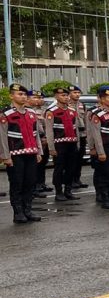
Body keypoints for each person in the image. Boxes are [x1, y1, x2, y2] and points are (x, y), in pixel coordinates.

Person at [1, 84, 44, 223]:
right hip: (15, 154)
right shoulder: (6, 114)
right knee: (17, 183)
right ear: (11, 96)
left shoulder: (31, 113)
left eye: (25, 94)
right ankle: (18, 212)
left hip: (31, 153)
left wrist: (38, 151)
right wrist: (5, 156)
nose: (23, 97)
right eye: (19, 94)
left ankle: (28, 210)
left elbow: (35, 134)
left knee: (30, 182)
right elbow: (2, 136)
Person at [43, 86, 82, 202]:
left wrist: (78, 143)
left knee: (71, 168)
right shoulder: (51, 112)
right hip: (59, 144)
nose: (65, 97)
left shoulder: (72, 111)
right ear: (56, 96)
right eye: (62, 95)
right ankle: (59, 191)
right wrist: (51, 147)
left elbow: (76, 129)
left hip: (72, 143)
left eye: (66, 95)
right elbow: (49, 131)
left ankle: (68, 190)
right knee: (59, 169)